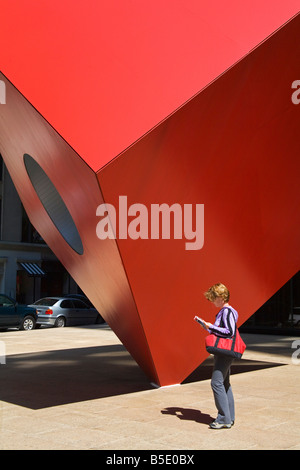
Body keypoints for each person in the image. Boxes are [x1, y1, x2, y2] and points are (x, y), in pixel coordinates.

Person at [194, 283, 238, 429]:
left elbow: (229, 332)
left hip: (224, 352)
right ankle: (229, 417)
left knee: (216, 383)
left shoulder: (227, 311)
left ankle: (224, 418)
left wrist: (210, 327)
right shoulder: (228, 311)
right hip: (224, 351)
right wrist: (208, 327)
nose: (212, 302)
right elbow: (225, 331)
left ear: (221, 297)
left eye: (213, 298)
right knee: (225, 383)